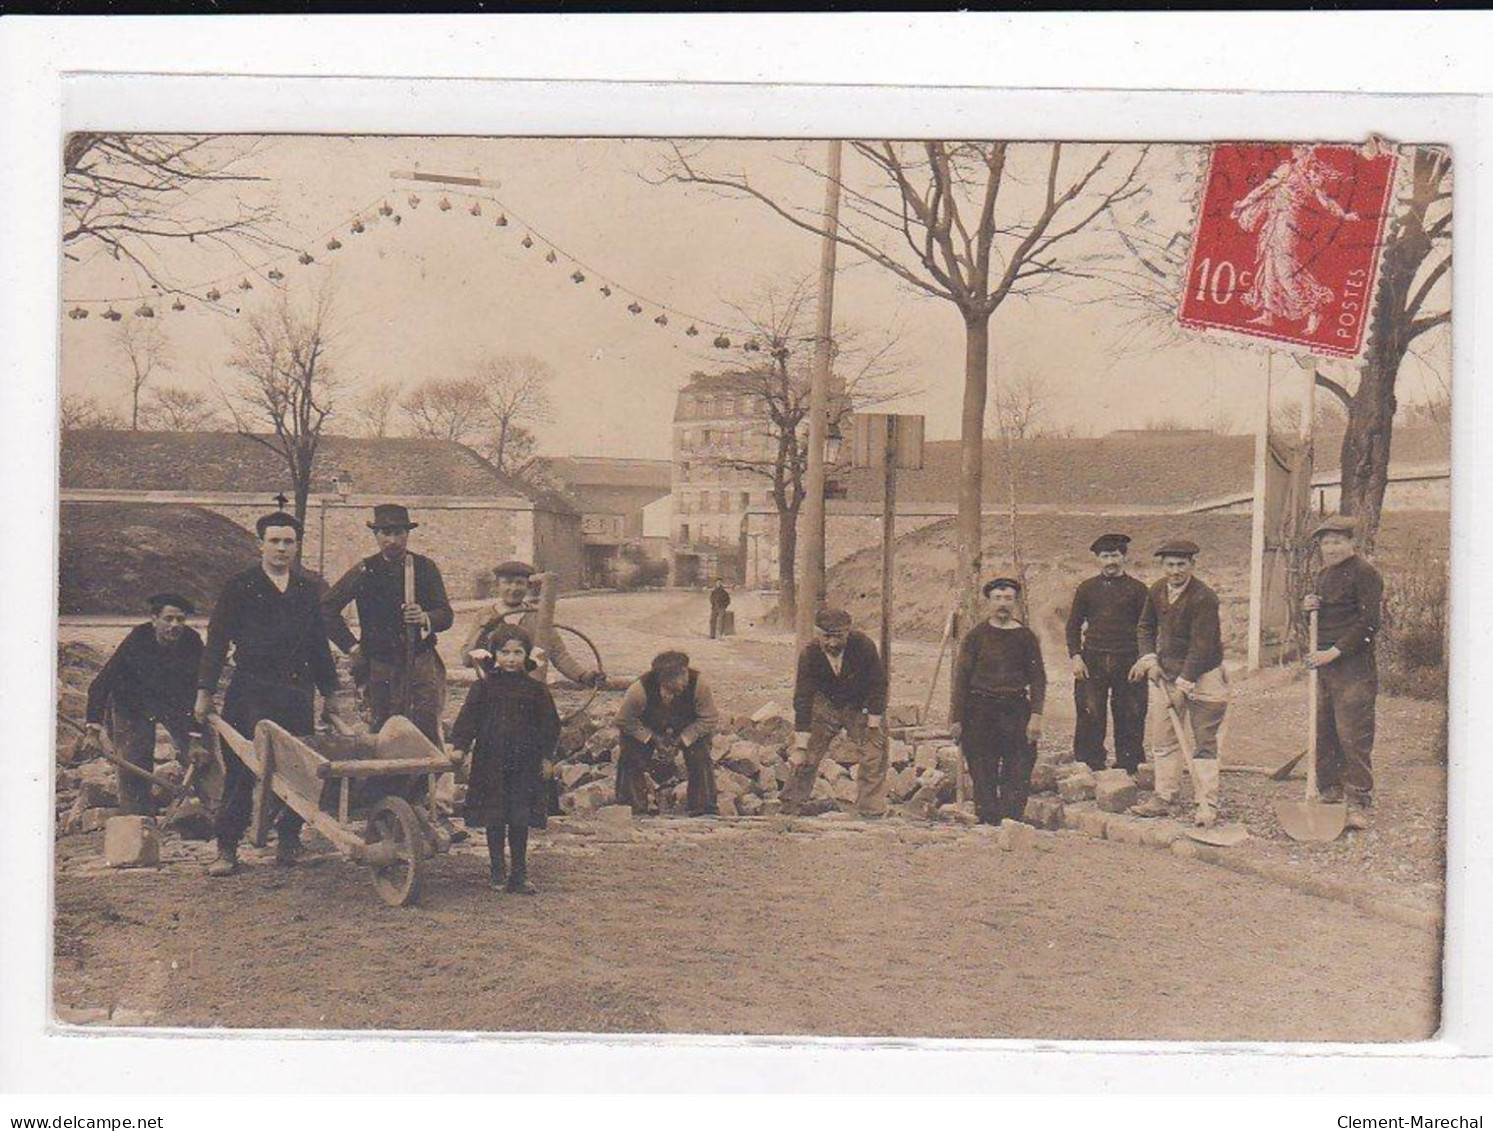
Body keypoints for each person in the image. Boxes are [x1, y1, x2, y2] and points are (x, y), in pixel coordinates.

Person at [195, 513, 340, 876]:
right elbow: (216, 642)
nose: (281, 548)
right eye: (274, 541)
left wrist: (330, 693)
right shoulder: (240, 587)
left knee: (298, 768)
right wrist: (204, 691)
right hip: (251, 692)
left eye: (288, 542)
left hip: (296, 692)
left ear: (297, 545)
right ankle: (227, 847)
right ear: (261, 544)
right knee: (244, 768)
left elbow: (318, 645)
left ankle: (289, 839)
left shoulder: (307, 590)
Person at [322, 504, 453, 747]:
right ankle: (385, 783)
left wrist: (425, 617)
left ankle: (423, 784)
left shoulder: (425, 568)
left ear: (407, 534)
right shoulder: (364, 570)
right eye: (385, 533)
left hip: (420, 663)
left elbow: (446, 615)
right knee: (383, 732)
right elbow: (326, 608)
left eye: (398, 533)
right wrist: (352, 647)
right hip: (380, 665)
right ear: (376, 535)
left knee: (424, 730)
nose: (392, 540)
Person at [449, 625, 561, 894]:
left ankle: (519, 874)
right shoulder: (483, 687)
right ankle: (497, 868)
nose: (511, 659)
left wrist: (547, 758)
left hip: (525, 764)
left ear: (526, 655)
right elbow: (467, 720)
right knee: (495, 816)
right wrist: (460, 747)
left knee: (520, 818)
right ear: (494, 654)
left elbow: (550, 726)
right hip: (491, 763)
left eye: (517, 652)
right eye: (505, 652)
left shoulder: (536, 690)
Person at [1129, 539, 1229, 827]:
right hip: (1167, 673)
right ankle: (1164, 796)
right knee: (1164, 738)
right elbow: (1145, 627)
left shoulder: (1204, 598)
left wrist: (1184, 687)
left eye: (1181, 564)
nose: (1175, 571)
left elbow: (1201, 647)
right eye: (1170, 565)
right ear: (1162, 566)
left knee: (1204, 740)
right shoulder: (1158, 590)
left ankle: (1206, 802)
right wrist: (1150, 660)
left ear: (1192, 565)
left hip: (1205, 675)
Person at [82, 592, 204, 817]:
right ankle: (138, 821)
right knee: (133, 765)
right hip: (132, 704)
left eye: (180, 620)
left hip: (173, 704)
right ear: (154, 619)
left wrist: (195, 738)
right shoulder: (137, 640)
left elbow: (198, 692)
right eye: (168, 619)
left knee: (202, 757)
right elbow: (100, 684)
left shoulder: (192, 642)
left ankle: (211, 811)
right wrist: (92, 731)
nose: (175, 625)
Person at [1303, 515, 1384, 832]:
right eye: (1325, 542)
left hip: (1351, 666)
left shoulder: (1366, 573)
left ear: (1352, 543)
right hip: (1323, 666)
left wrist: (1332, 653)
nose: (1331, 547)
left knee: (1352, 734)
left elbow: (1369, 624)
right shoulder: (1324, 574)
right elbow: (1327, 613)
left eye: (1337, 541)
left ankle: (1358, 801)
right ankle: (1330, 792)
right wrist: (1311, 605)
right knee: (1323, 730)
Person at [951, 578, 1047, 826]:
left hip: (1016, 709)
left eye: (1008, 599)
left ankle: (1011, 820)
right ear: (989, 602)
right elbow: (961, 678)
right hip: (980, 709)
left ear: (1015, 603)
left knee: (1019, 766)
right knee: (982, 768)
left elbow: (1038, 678)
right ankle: (987, 820)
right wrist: (956, 719)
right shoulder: (976, 636)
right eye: (997, 598)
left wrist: (1036, 715)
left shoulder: (1026, 637)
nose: (1002, 604)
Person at [781, 607, 888, 818]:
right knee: (807, 756)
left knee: (874, 753)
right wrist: (802, 742)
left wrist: (873, 724)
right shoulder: (810, 654)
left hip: (858, 705)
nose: (832, 643)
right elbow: (803, 697)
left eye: (838, 636)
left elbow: (878, 685)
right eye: (826, 636)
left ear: (848, 633)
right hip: (825, 705)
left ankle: (871, 812)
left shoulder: (864, 647)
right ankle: (790, 806)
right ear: (817, 633)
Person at [1066, 534, 1149, 773]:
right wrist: (1076, 656)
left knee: (1131, 714)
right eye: (1105, 556)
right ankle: (1089, 766)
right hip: (1093, 660)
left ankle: (1129, 767)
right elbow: (1073, 625)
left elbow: (1148, 629)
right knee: (1090, 713)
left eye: (1115, 555)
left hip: (1129, 661)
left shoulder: (1138, 590)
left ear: (1124, 557)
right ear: (1098, 559)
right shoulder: (1087, 588)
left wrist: (1143, 660)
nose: (1110, 561)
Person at [464, 560, 605, 687]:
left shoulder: (538, 618)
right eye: (507, 582)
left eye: (519, 583)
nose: (513, 589)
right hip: (494, 687)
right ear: (497, 585)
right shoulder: (484, 615)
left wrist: (583, 676)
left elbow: (559, 654)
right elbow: (467, 659)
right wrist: (482, 629)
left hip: (531, 689)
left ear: (528, 586)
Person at [615, 651, 720, 816]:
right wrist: (650, 738)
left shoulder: (699, 685)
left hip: (687, 727)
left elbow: (709, 718)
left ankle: (704, 807)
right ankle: (632, 807)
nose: (686, 678)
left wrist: (684, 739)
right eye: (681, 675)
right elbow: (624, 720)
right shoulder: (638, 691)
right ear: (665, 680)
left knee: (700, 753)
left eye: (686, 672)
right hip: (649, 727)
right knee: (630, 751)